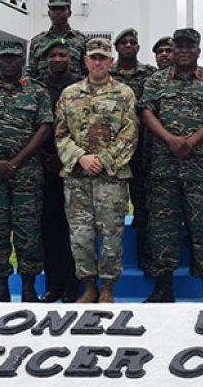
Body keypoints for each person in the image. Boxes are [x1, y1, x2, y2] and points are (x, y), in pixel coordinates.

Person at [139, 28, 203, 303]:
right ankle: (163, 288)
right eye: (179, 47)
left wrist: (192, 141)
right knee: (162, 228)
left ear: (198, 51)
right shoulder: (156, 80)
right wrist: (170, 139)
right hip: (164, 168)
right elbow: (146, 112)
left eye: (189, 47)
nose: (183, 51)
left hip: (200, 169)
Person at [54, 38, 139, 304]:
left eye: (103, 58)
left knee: (112, 235)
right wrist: (80, 158)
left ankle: (107, 289)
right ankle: (89, 286)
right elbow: (60, 134)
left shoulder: (124, 94)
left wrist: (102, 159)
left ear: (111, 62)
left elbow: (130, 133)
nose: (99, 62)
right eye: (94, 58)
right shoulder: (69, 94)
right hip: (78, 179)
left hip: (111, 179)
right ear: (86, 61)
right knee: (80, 236)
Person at [0, 41, 52, 302]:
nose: (9, 63)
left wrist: (16, 160)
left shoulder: (37, 92)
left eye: (14, 59)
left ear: (22, 61)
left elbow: (44, 128)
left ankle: (28, 287)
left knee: (28, 231)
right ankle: (1, 287)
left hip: (27, 173)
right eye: (4, 59)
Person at [36, 38, 82, 303]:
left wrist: (67, 157)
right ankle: (53, 284)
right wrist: (45, 156)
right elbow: (34, 126)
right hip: (45, 166)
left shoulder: (80, 86)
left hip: (74, 165)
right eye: (52, 55)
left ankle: (72, 285)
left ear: (70, 57)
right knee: (50, 227)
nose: (57, 60)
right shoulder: (37, 86)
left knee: (72, 228)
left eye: (62, 55)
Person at [110, 28, 157, 280]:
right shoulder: (106, 74)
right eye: (123, 42)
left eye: (133, 42)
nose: (128, 46)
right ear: (116, 48)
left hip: (142, 153)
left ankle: (146, 259)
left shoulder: (150, 75)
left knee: (144, 209)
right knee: (112, 209)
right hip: (112, 153)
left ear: (138, 47)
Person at [27, 0, 88, 80]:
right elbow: (31, 73)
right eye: (54, 9)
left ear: (69, 13)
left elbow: (87, 71)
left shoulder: (82, 40)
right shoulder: (37, 41)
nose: (58, 13)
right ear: (49, 13)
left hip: (74, 90)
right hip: (44, 90)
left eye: (62, 9)